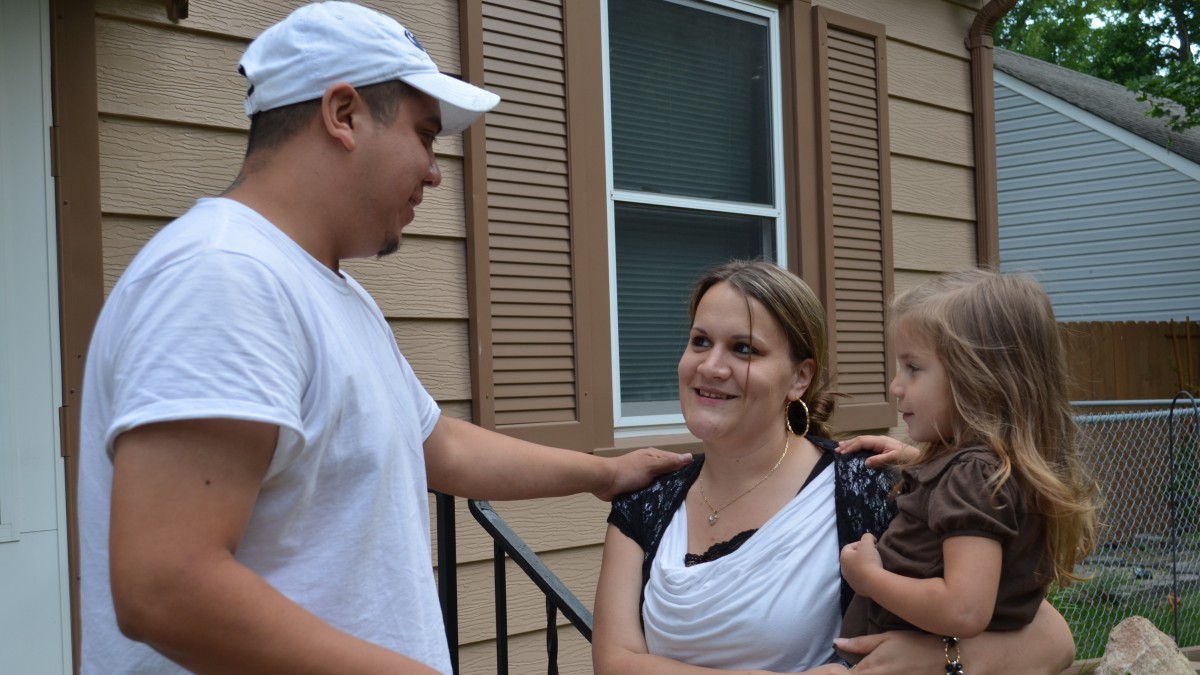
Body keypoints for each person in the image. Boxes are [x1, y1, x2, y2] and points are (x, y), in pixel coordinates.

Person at [76, 3, 689, 674]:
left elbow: (434, 442)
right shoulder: (223, 277)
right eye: (425, 136)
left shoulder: (324, 289)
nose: (433, 170)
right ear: (343, 114)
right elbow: (164, 587)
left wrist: (604, 474)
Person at [591, 260, 1079, 674]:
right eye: (700, 341)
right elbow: (615, 662)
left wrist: (943, 655)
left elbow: (1053, 638)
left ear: (800, 378)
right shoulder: (648, 499)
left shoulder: (862, 486)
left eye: (744, 349)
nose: (711, 366)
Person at [837, 269, 1098, 669]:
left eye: (913, 368)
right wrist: (918, 459)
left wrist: (867, 577)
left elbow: (963, 611)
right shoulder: (989, 470)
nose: (895, 385)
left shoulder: (973, 477)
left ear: (977, 379)